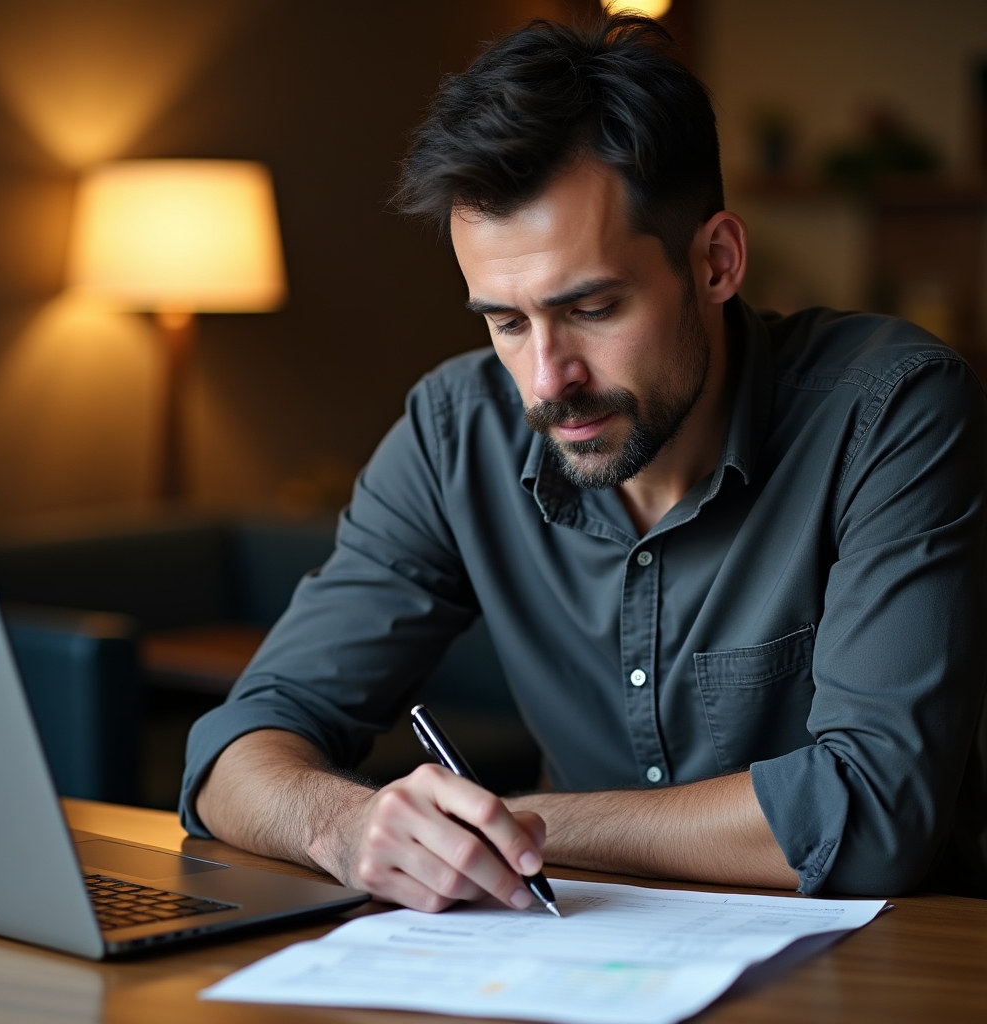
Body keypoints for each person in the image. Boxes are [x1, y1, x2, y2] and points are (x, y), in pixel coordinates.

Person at [181, 14, 987, 908]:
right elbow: (236, 750)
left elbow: (874, 812)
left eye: (594, 309)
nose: (547, 380)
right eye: (506, 321)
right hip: (578, 971)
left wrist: (523, 828)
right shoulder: (457, 430)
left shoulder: (892, 410)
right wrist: (347, 828)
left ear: (716, 262)